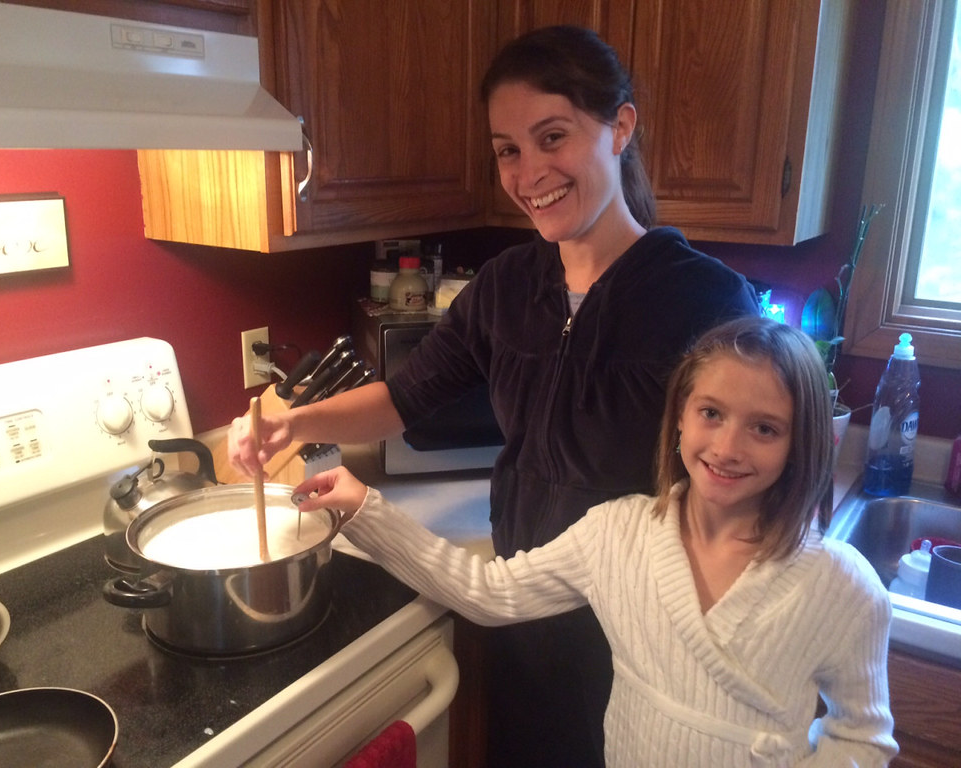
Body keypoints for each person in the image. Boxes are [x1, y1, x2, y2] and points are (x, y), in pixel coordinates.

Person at [229, 25, 760, 766]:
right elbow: (406, 396)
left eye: (553, 137)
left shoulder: (705, 300)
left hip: (643, 642)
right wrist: (294, 421)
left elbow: (752, 490)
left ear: (621, 128)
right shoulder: (508, 285)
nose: (528, 171)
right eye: (508, 150)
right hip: (517, 613)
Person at [293, 317, 898, 767]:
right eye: (711, 413)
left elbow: (863, 735)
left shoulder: (840, 585)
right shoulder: (618, 534)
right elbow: (489, 592)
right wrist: (364, 508)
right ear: (680, 416)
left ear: (802, 442)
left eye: (764, 428)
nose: (729, 445)